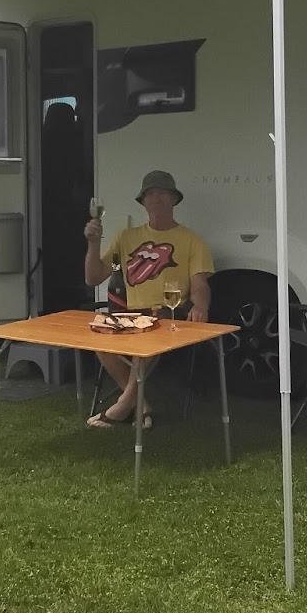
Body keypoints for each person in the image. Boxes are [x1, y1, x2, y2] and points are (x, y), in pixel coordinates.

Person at [82, 169, 213, 429]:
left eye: (162, 193)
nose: (156, 198)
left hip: (168, 312)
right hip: (130, 313)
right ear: (143, 201)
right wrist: (94, 243)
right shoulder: (126, 238)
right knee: (99, 339)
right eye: (151, 194)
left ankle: (122, 405)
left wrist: (200, 305)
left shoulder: (191, 240)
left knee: (149, 333)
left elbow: (199, 284)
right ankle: (140, 405)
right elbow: (94, 277)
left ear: (174, 200)